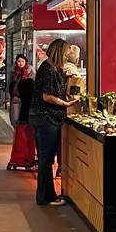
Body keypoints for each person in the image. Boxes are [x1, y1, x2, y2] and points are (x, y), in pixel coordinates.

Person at [32, 37, 73, 205]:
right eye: (66, 54)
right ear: (59, 53)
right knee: (46, 159)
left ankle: (47, 195)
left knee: (47, 158)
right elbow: (47, 96)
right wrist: (66, 104)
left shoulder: (54, 69)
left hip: (49, 119)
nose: (67, 57)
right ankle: (45, 197)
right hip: (46, 119)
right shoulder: (47, 70)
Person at [7, 57, 37, 172]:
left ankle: (24, 157)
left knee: (24, 131)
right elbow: (9, 86)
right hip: (23, 108)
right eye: (19, 61)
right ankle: (26, 158)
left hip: (27, 110)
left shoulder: (30, 75)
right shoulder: (13, 72)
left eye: (22, 61)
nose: (20, 63)